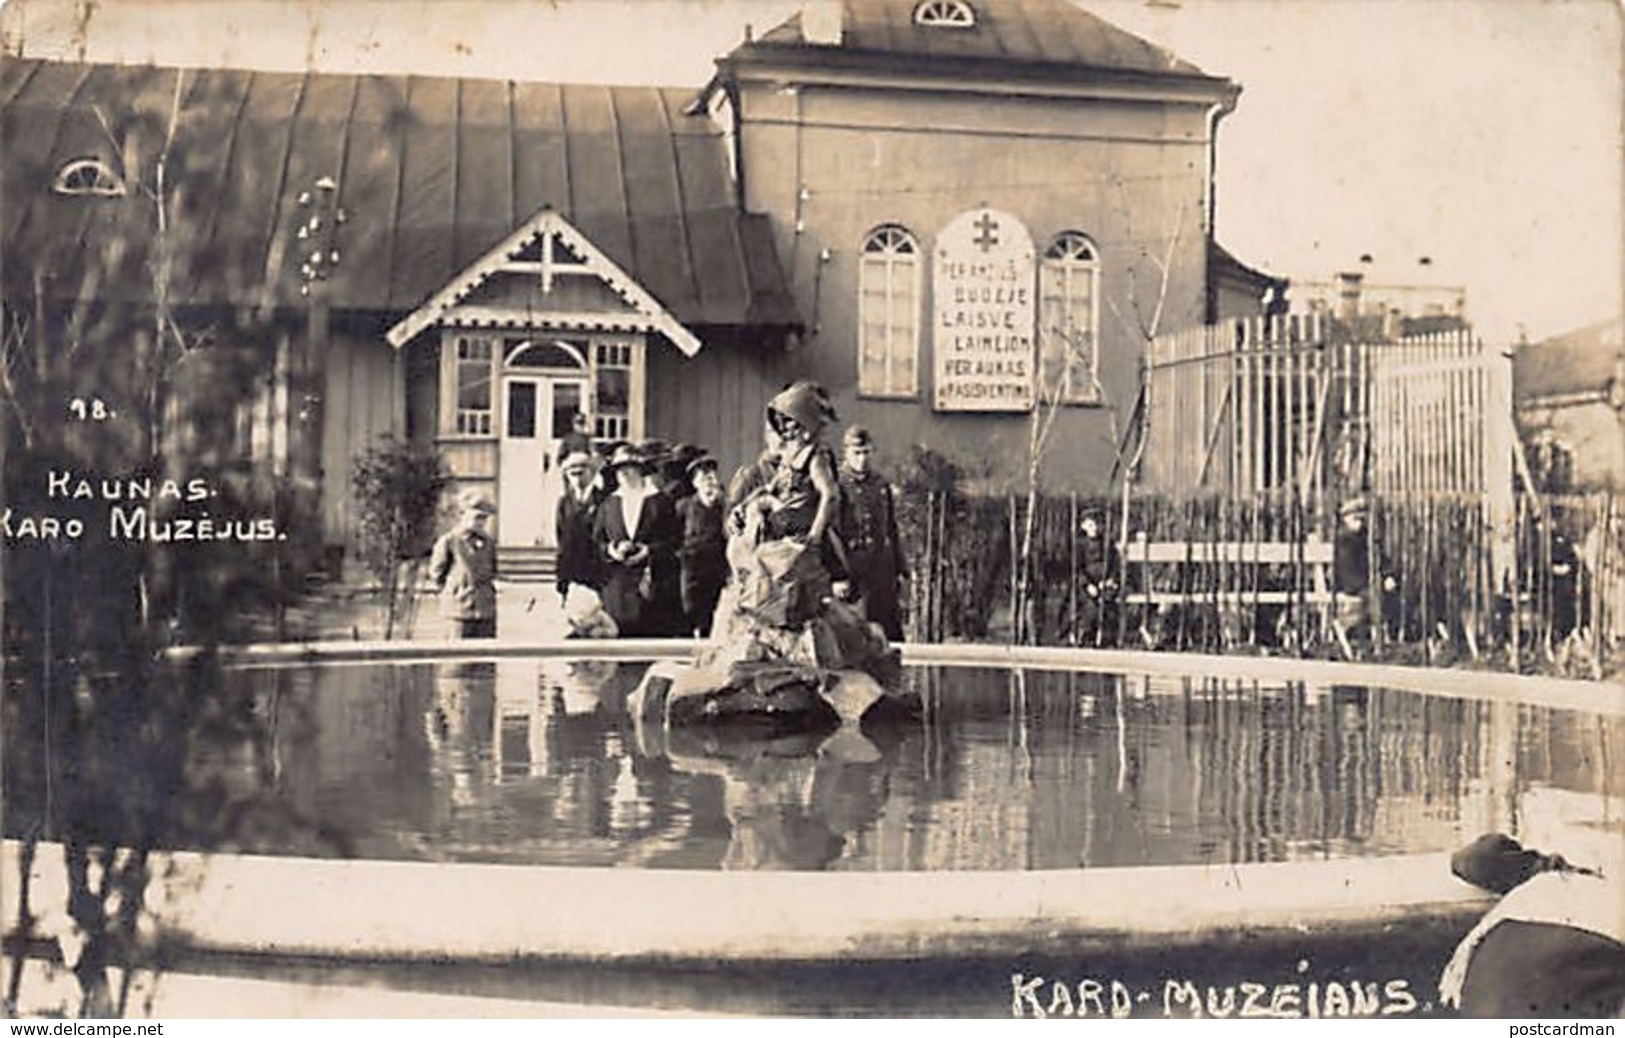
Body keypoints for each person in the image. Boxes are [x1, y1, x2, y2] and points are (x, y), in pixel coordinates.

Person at [1439, 833, 1624, 1017]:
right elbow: (1473, 860)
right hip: (1569, 969)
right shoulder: (1567, 872)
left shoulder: (1547, 874)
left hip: (1492, 989)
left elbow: (1473, 860)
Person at [593, 445, 681, 637]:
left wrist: (648, 551)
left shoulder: (660, 502)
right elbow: (596, 543)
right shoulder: (609, 504)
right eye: (618, 470)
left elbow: (676, 541)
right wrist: (612, 550)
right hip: (617, 591)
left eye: (629, 468)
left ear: (641, 470)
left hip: (653, 588)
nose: (623, 474)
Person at [833, 425, 907, 641]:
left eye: (866, 452)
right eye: (856, 453)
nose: (862, 459)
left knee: (891, 636)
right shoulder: (838, 485)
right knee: (860, 637)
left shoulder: (880, 484)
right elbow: (833, 534)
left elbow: (891, 529)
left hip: (882, 571)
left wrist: (901, 569)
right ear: (846, 452)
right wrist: (838, 576)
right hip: (855, 572)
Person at [428, 490, 498, 639]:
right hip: (458, 613)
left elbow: (492, 571)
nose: (481, 522)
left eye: (484, 518)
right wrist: (454, 593)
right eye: (477, 517)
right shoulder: (449, 542)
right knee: (458, 659)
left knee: (485, 658)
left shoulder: (488, 543)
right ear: (463, 515)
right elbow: (437, 575)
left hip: (485, 613)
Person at [677, 455, 728, 637]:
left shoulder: (725, 505)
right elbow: (674, 535)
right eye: (703, 478)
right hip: (693, 567)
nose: (709, 482)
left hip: (717, 565)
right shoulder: (684, 506)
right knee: (691, 607)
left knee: (716, 608)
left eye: (712, 477)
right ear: (694, 483)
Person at [554, 451, 602, 605]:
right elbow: (562, 539)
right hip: (572, 571)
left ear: (592, 473)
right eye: (572, 474)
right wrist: (562, 577)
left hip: (597, 571)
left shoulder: (603, 500)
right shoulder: (564, 503)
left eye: (582, 473)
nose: (577, 478)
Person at [1074, 508, 1121, 647]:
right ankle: (1085, 635)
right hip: (1087, 584)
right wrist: (1088, 585)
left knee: (1108, 601)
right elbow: (1077, 569)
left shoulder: (1107, 544)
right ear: (1083, 527)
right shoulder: (1080, 545)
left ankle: (1107, 638)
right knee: (1091, 604)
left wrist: (1110, 580)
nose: (1093, 528)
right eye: (1090, 525)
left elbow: (1115, 564)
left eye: (1096, 525)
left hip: (1105, 583)